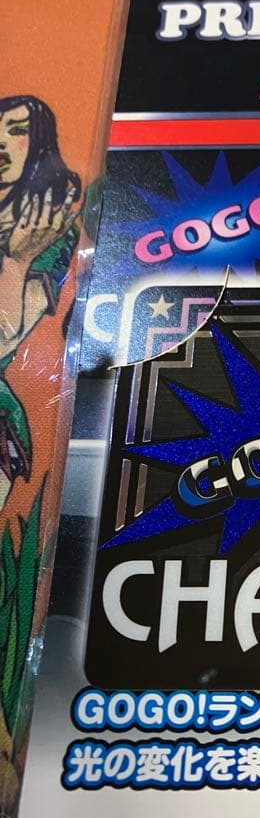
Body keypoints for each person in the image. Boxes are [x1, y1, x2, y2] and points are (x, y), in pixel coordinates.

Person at [0, 96, 80, 510]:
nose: (1, 142)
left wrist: (18, 262)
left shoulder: (51, 231)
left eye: (17, 131)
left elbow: (4, 339)